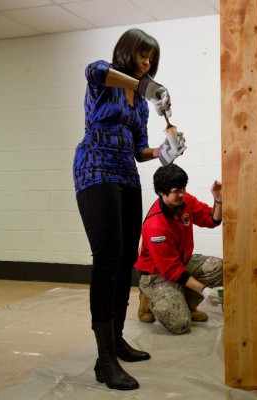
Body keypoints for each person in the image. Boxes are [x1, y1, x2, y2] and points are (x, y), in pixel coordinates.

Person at [73, 28, 185, 391]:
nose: (147, 62)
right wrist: (146, 87)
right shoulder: (105, 78)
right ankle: (104, 359)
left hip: (125, 172)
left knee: (125, 260)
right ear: (126, 52)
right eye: (142, 55)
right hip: (95, 168)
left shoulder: (139, 103)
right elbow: (93, 70)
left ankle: (117, 339)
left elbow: (139, 150)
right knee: (107, 258)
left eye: (151, 58)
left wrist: (165, 151)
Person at [135, 164, 224, 335]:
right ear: (161, 192)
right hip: (157, 274)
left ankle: (186, 306)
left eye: (183, 188)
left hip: (181, 262)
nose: (182, 194)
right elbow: (172, 271)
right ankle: (148, 296)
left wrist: (218, 200)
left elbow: (211, 220)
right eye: (176, 191)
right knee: (180, 324)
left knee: (217, 266)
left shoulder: (184, 200)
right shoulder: (155, 226)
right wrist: (204, 290)